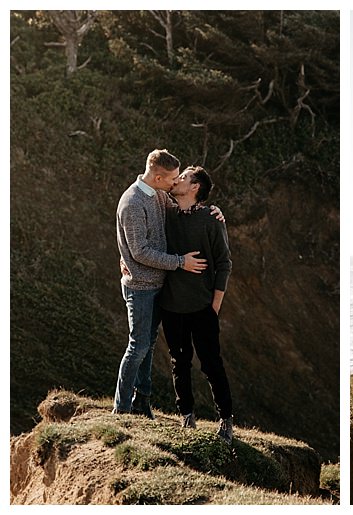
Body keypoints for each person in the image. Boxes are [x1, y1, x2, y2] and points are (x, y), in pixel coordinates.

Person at [114, 149, 221, 418]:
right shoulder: (133, 202)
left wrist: (213, 212)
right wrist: (179, 262)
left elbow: (185, 210)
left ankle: (142, 403)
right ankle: (122, 409)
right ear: (159, 176)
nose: (176, 182)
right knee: (137, 346)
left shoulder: (159, 195)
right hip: (140, 287)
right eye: (172, 178)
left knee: (147, 345)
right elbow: (140, 252)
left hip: (157, 285)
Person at [158, 165, 235, 445]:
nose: (177, 180)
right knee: (179, 363)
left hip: (203, 307)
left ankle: (225, 420)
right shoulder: (165, 211)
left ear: (195, 188)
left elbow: (225, 264)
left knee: (212, 365)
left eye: (184, 177)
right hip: (171, 305)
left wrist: (215, 305)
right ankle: (187, 416)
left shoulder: (211, 220)